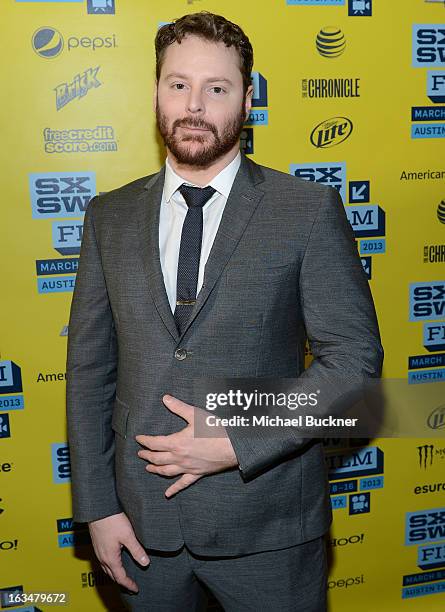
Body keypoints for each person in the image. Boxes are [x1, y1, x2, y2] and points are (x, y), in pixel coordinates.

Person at [66, 11, 383, 612]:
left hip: (270, 527)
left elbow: (355, 368)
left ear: (246, 100)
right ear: (156, 90)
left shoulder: (307, 210)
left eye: (217, 88)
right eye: (178, 84)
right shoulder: (108, 216)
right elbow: (88, 373)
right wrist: (98, 507)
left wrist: (236, 439)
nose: (194, 105)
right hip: (140, 528)